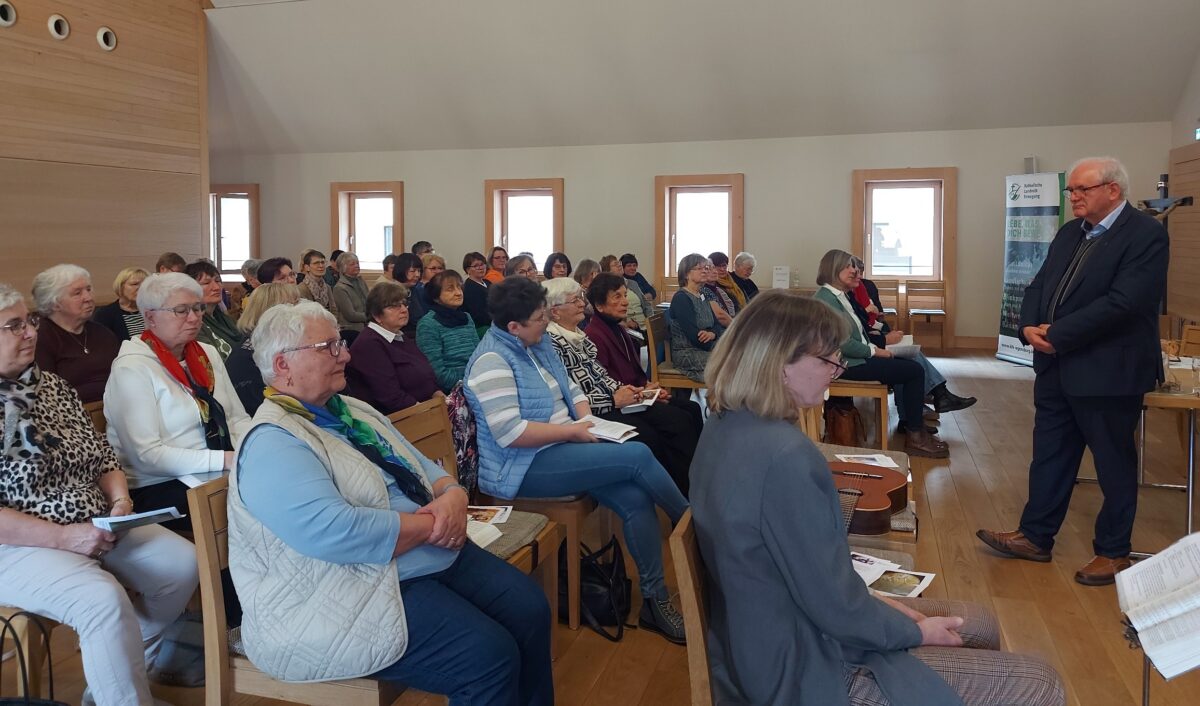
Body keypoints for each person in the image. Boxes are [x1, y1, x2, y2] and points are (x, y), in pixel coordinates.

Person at [691, 290, 1065, 706]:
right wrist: (914, 631)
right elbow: (834, 608)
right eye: (827, 360)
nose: (836, 371)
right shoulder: (784, 455)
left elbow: (810, 578)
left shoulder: (724, 425)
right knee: (1042, 682)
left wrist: (883, 606)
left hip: (756, 639)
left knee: (981, 622)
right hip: (800, 666)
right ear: (779, 365)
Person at [230, 301, 552, 703]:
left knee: (529, 608)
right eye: (329, 347)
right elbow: (334, 533)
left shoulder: (350, 410)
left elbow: (421, 466)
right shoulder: (273, 442)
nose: (345, 356)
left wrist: (453, 494)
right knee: (487, 656)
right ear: (283, 364)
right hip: (345, 588)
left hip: (420, 554)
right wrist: (434, 524)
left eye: (340, 344)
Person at [0, 282, 197, 706]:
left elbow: (103, 456)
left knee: (181, 564)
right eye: (13, 326)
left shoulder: (52, 386)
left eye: (29, 321)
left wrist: (121, 502)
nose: (30, 332)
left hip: (94, 522)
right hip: (17, 544)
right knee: (101, 599)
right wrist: (64, 537)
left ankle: (112, 680)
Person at [977, 156, 1170, 586]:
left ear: (1113, 190)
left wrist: (1059, 334)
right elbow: (1038, 284)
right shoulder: (1070, 232)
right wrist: (1028, 327)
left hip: (1109, 372)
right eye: (1071, 190)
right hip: (1056, 366)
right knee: (1050, 455)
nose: (1073, 196)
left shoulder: (1145, 234)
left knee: (1113, 463)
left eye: (1083, 189)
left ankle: (1114, 552)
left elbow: (1125, 303)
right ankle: (1035, 536)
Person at [463, 276, 689, 644]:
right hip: (522, 464)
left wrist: (586, 420)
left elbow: (570, 388)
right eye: (540, 318)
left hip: (563, 444)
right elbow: (510, 433)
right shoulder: (492, 361)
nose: (545, 322)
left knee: (636, 498)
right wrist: (572, 432)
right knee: (637, 455)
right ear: (514, 326)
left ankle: (655, 600)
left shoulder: (537, 342)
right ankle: (696, 527)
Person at [104, 272, 252, 529]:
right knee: (255, 509)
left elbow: (237, 418)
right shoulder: (132, 368)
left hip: (218, 470)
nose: (194, 318)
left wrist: (250, 452)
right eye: (181, 311)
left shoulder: (207, 354)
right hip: (160, 485)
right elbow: (146, 455)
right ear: (150, 317)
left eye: (197, 308)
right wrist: (225, 460)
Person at [545, 278, 699, 495]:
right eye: (574, 301)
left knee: (680, 417)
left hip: (614, 401)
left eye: (581, 298)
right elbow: (571, 393)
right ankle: (674, 494)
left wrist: (633, 391)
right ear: (555, 312)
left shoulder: (579, 336)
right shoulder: (554, 343)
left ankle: (688, 487)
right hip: (594, 411)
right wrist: (617, 398)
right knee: (655, 432)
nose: (582, 304)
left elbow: (601, 376)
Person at [813, 250, 948, 458]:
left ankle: (913, 426)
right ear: (833, 269)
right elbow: (844, 343)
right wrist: (876, 351)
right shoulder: (826, 300)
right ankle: (915, 437)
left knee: (909, 363)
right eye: (848, 266)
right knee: (913, 371)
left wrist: (879, 349)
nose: (854, 271)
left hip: (855, 358)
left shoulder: (840, 296)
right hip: (845, 365)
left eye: (854, 266)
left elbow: (858, 334)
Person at [845, 257, 976, 416]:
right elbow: (854, 331)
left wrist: (880, 327)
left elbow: (875, 314)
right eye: (854, 273)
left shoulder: (865, 287)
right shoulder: (842, 296)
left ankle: (925, 403)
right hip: (862, 349)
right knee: (906, 360)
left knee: (909, 352)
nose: (858, 276)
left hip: (872, 334)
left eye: (860, 272)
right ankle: (927, 403)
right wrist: (882, 338)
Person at [587, 273, 703, 426]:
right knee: (680, 420)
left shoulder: (619, 329)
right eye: (617, 297)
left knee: (693, 408)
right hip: (625, 402)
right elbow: (608, 383)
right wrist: (644, 393)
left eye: (625, 295)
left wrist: (649, 388)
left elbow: (634, 371)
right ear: (599, 305)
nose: (625, 302)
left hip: (638, 393)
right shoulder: (594, 335)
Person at [346, 281, 440, 414]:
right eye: (394, 306)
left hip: (425, 407)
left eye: (404, 304)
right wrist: (429, 412)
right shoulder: (368, 344)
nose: (404, 310)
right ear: (377, 315)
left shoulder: (398, 336)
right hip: (398, 417)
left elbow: (425, 372)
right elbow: (390, 396)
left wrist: (437, 394)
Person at [32, 264, 120, 403]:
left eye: (89, 289)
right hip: (69, 413)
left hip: (116, 408)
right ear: (55, 303)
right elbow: (47, 393)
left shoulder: (103, 334)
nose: (88, 297)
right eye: (77, 293)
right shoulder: (40, 338)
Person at [226, 283, 301, 415]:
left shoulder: (274, 345)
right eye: (292, 307)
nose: (300, 313)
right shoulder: (246, 359)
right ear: (270, 313)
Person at [416, 271, 480, 394]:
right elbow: (438, 374)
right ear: (436, 296)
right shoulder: (428, 324)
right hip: (453, 390)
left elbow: (478, 355)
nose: (458, 293)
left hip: (476, 380)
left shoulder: (466, 317)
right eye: (450, 289)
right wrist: (471, 380)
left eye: (459, 287)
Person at [669, 254, 722, 383]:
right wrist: (718, 347)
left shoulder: (702, 295)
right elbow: (694, 336)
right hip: (687, 353)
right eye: (699, 268)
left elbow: (717, 324)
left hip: (705, 347)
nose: (705, 271)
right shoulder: (681, 298)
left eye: (706, 268)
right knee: (730, 362)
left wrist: (713, 334)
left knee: (738, 357)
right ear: (686, 274)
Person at [184, 261, 244, 360]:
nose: (216, 287)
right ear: (190, 289)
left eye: (218, 281)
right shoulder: (194, 324)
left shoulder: (223, 317)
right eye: (206, 283)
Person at [93, 267, 149, 341]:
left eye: (145, 284)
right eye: (135, 284)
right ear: (120, 287)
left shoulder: (154, 310)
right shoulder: (105, 314)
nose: (141, 288)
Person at [602, 255, 648, 329]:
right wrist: (625, 323)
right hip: (629, 328)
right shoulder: (606, 288)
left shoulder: (632, 283)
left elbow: (646, 304)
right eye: (615, 264)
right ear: (608, 271)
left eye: (619, 263)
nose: (619, 265)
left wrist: (651, 321)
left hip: (646, 325)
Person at [332, 251, 370, 335]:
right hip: (352, 330)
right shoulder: (339, 288)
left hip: (368, 326)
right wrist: (372, 316)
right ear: (343, 268)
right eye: (352, 264)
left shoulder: (361, 281)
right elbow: (350, 315)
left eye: (357, 263)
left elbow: (370, 301)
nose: (357, 265)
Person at [297, 249, 340, 319]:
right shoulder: (301, 289)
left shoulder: (327, 287)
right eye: (316, 263)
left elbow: (334, 310)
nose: (321, 266)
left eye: (323, 262)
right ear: (307, 267)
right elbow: (305, 315)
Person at [394, 252, 428, 333]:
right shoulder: (390, 292)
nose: (417, 275)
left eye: (419, 271)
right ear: (401, 270)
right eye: (413, 271)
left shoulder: (416, 291)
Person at [460, 252, 492, 337]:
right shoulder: (468, 288)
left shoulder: (488, 283)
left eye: (482, 264)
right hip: (480, 327)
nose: (480, 268)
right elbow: (478, 315)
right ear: (468, 270)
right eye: (476, 266)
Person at [700, 256, 736, 326]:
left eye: (713, 267)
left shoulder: (720, 290)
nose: (714, 271)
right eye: (708, 269)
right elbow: (720, 316)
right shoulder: (702, 291)